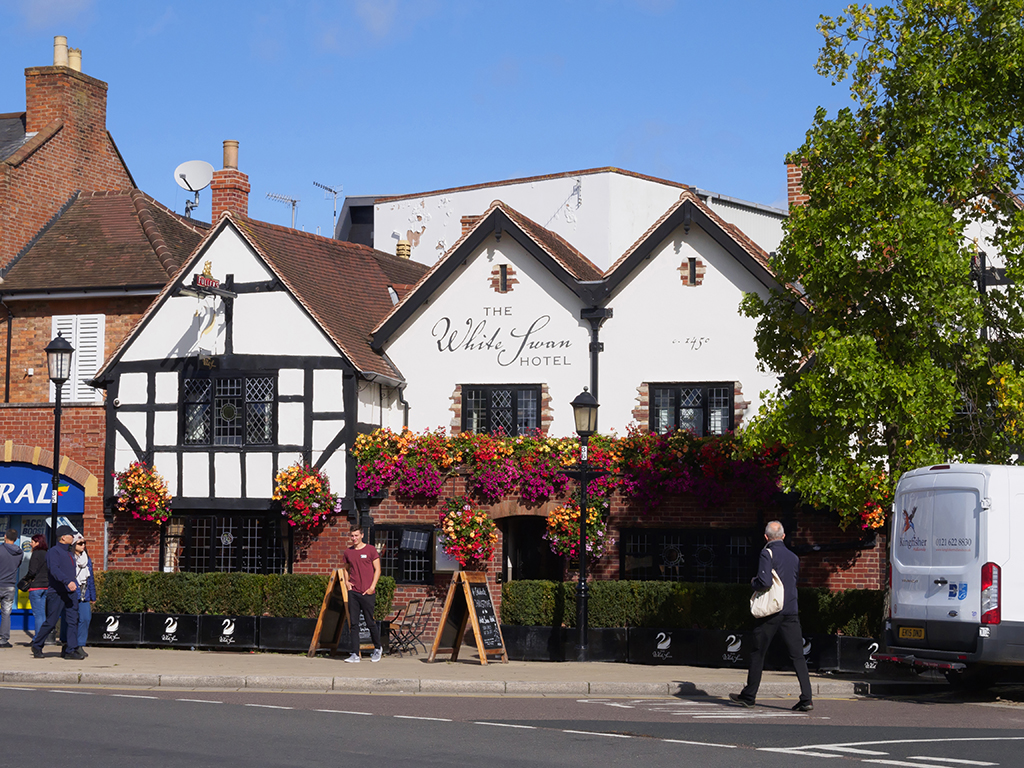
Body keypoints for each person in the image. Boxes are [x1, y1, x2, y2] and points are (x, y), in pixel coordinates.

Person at [730, 520, 813, 712]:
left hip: (772, 611)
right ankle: (807, 699)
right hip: (791, 611)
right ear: (783, 536)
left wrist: (754, 583)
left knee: (758, 653)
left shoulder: (767, 553)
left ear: (766, 537)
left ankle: (749, 696)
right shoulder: (794, 557)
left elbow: (765, 581)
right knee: (798, 656)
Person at [30, 525, 82, 660]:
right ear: (63, 537)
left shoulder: (69, 552)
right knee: (51, 621)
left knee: (72, 621)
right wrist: (67, 581)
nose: (73, 537)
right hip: (57, 592)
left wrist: (73, 584)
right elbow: (54, 570)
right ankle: (37, 645)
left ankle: (70, 650)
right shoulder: (54, 552)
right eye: (70, 535)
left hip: (70, 592)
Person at [341, 523, 382, 663]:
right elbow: (345, 568)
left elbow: (378, 569)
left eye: (356, 535)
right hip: (354, 592)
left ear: (362, 535)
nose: (354, 538)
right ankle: (355, 654)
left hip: (367, 592)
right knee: (354, 623)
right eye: (352, 536)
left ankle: (378, 648)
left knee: (370, 622)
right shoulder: (348, 552)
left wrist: (372, 587)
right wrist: (347, 582)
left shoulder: (371, 550)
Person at [60, 533, 95, 655]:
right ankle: (66, 643)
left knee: (85, 618)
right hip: (71, 591)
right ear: (74, 544)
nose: (83, 545)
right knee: (69, 619)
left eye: (84, 543)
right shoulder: (68, 557)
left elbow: (91, 578)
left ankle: (80, 644)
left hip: (84, 593)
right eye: (80, 543)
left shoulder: (87, 559)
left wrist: (93, 595)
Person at [23, 535, 50, 644]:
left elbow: (32, 571)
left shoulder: (36, 554)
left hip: (36, 587)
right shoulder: (47, 554)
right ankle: (42, 637)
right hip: (46, 586)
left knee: (38, 614)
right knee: (42, 614)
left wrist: (25, 579)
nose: (30, 544)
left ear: (38, 543)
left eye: (32, 542)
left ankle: (38, 639)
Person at [0, 529, 24, 648]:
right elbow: (18, 565)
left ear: (5, 536)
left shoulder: (1, 549)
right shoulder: (20, 553)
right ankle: (4, 640)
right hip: (10, 585)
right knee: (6, 613)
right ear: (16, 539)